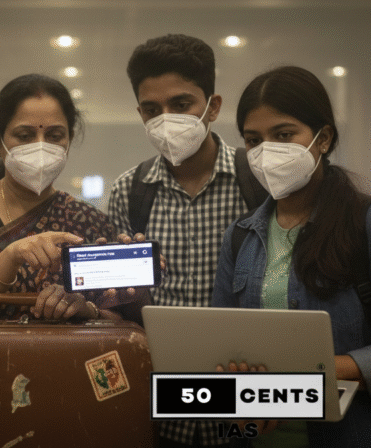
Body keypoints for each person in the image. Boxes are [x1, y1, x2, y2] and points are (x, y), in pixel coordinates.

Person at [210, 66, 371, 447]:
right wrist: (234, 396)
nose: (267, 152)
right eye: (254, 140)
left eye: (283, 135)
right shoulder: (240, 238)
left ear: (323, 138)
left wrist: (305, 379)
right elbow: (222, 349)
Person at [105, 34, 253, 447]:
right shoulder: (128, 191)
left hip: (245, 402)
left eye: (181, 104)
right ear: (140, 113)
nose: (166, 119)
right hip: (159, 404)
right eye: (152, 110)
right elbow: (115, 306)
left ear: (213, 106)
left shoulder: (256, 183)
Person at [0, 74, 127, 322]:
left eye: (55, 136)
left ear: (69, 139)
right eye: (24, 136)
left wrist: (85, 309)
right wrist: (11, 256)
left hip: (74, 357)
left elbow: (119, 318)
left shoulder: (90, 220)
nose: (40, 146)